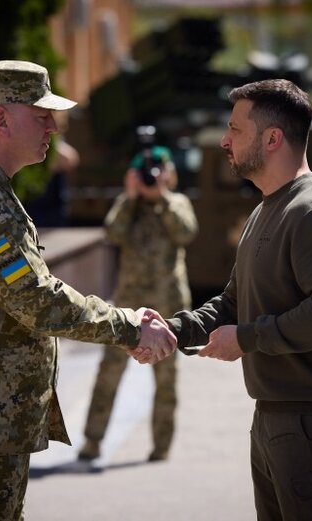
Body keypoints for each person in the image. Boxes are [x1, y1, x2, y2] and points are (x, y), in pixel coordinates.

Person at [0, 60, 176, 521]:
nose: (54, 126)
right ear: (1, 119)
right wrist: (128, 327)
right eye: (41, 114)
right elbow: (36, 300)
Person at [135, 79, 312, 520]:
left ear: (272, 138)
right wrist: (174, 330)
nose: (225, 140)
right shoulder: (268, 207)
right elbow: (234, 301)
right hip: (277, 418)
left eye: (235, 129)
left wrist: (246, 339)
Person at [78, 146, 198, 463]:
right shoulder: (127, 206)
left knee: (166, 380)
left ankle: (161, 446)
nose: (153, 178)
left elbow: (186, 232)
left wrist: (161, 198)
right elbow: (112, 234)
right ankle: (92, 441)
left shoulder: (177, 203)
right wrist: (131, 198)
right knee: (109, 374)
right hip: (128, 308)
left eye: (161, 171)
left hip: (168, 305)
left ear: (170, 174)